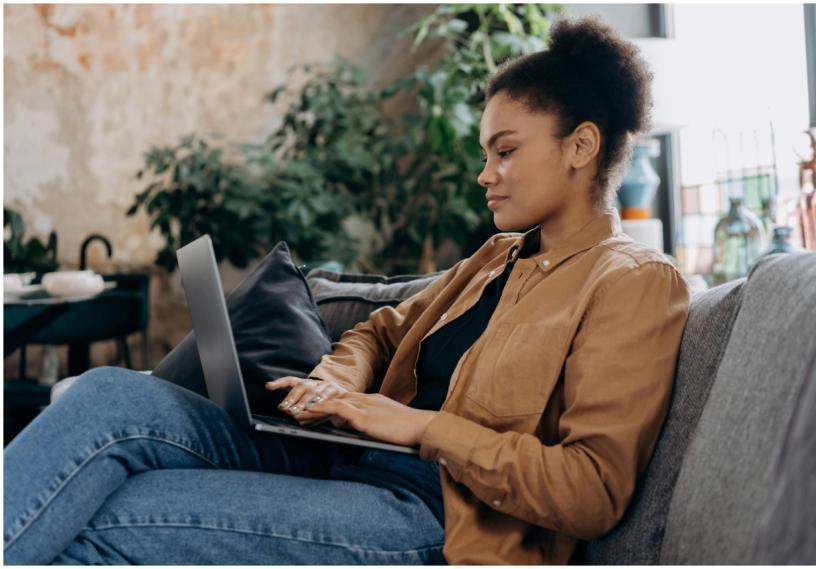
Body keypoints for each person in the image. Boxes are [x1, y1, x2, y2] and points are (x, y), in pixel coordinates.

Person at [3, 15, 690, 565]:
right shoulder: (495, 258)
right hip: (342, 459)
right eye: (485, 154)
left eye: (504, 151)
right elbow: (380, 330)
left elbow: (592, 490)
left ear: (581, 146)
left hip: (433, 518)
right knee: (109, 394)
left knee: (112, 518)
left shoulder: (632, 282)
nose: (485, 174)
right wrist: (334, 383)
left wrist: (420, 426)